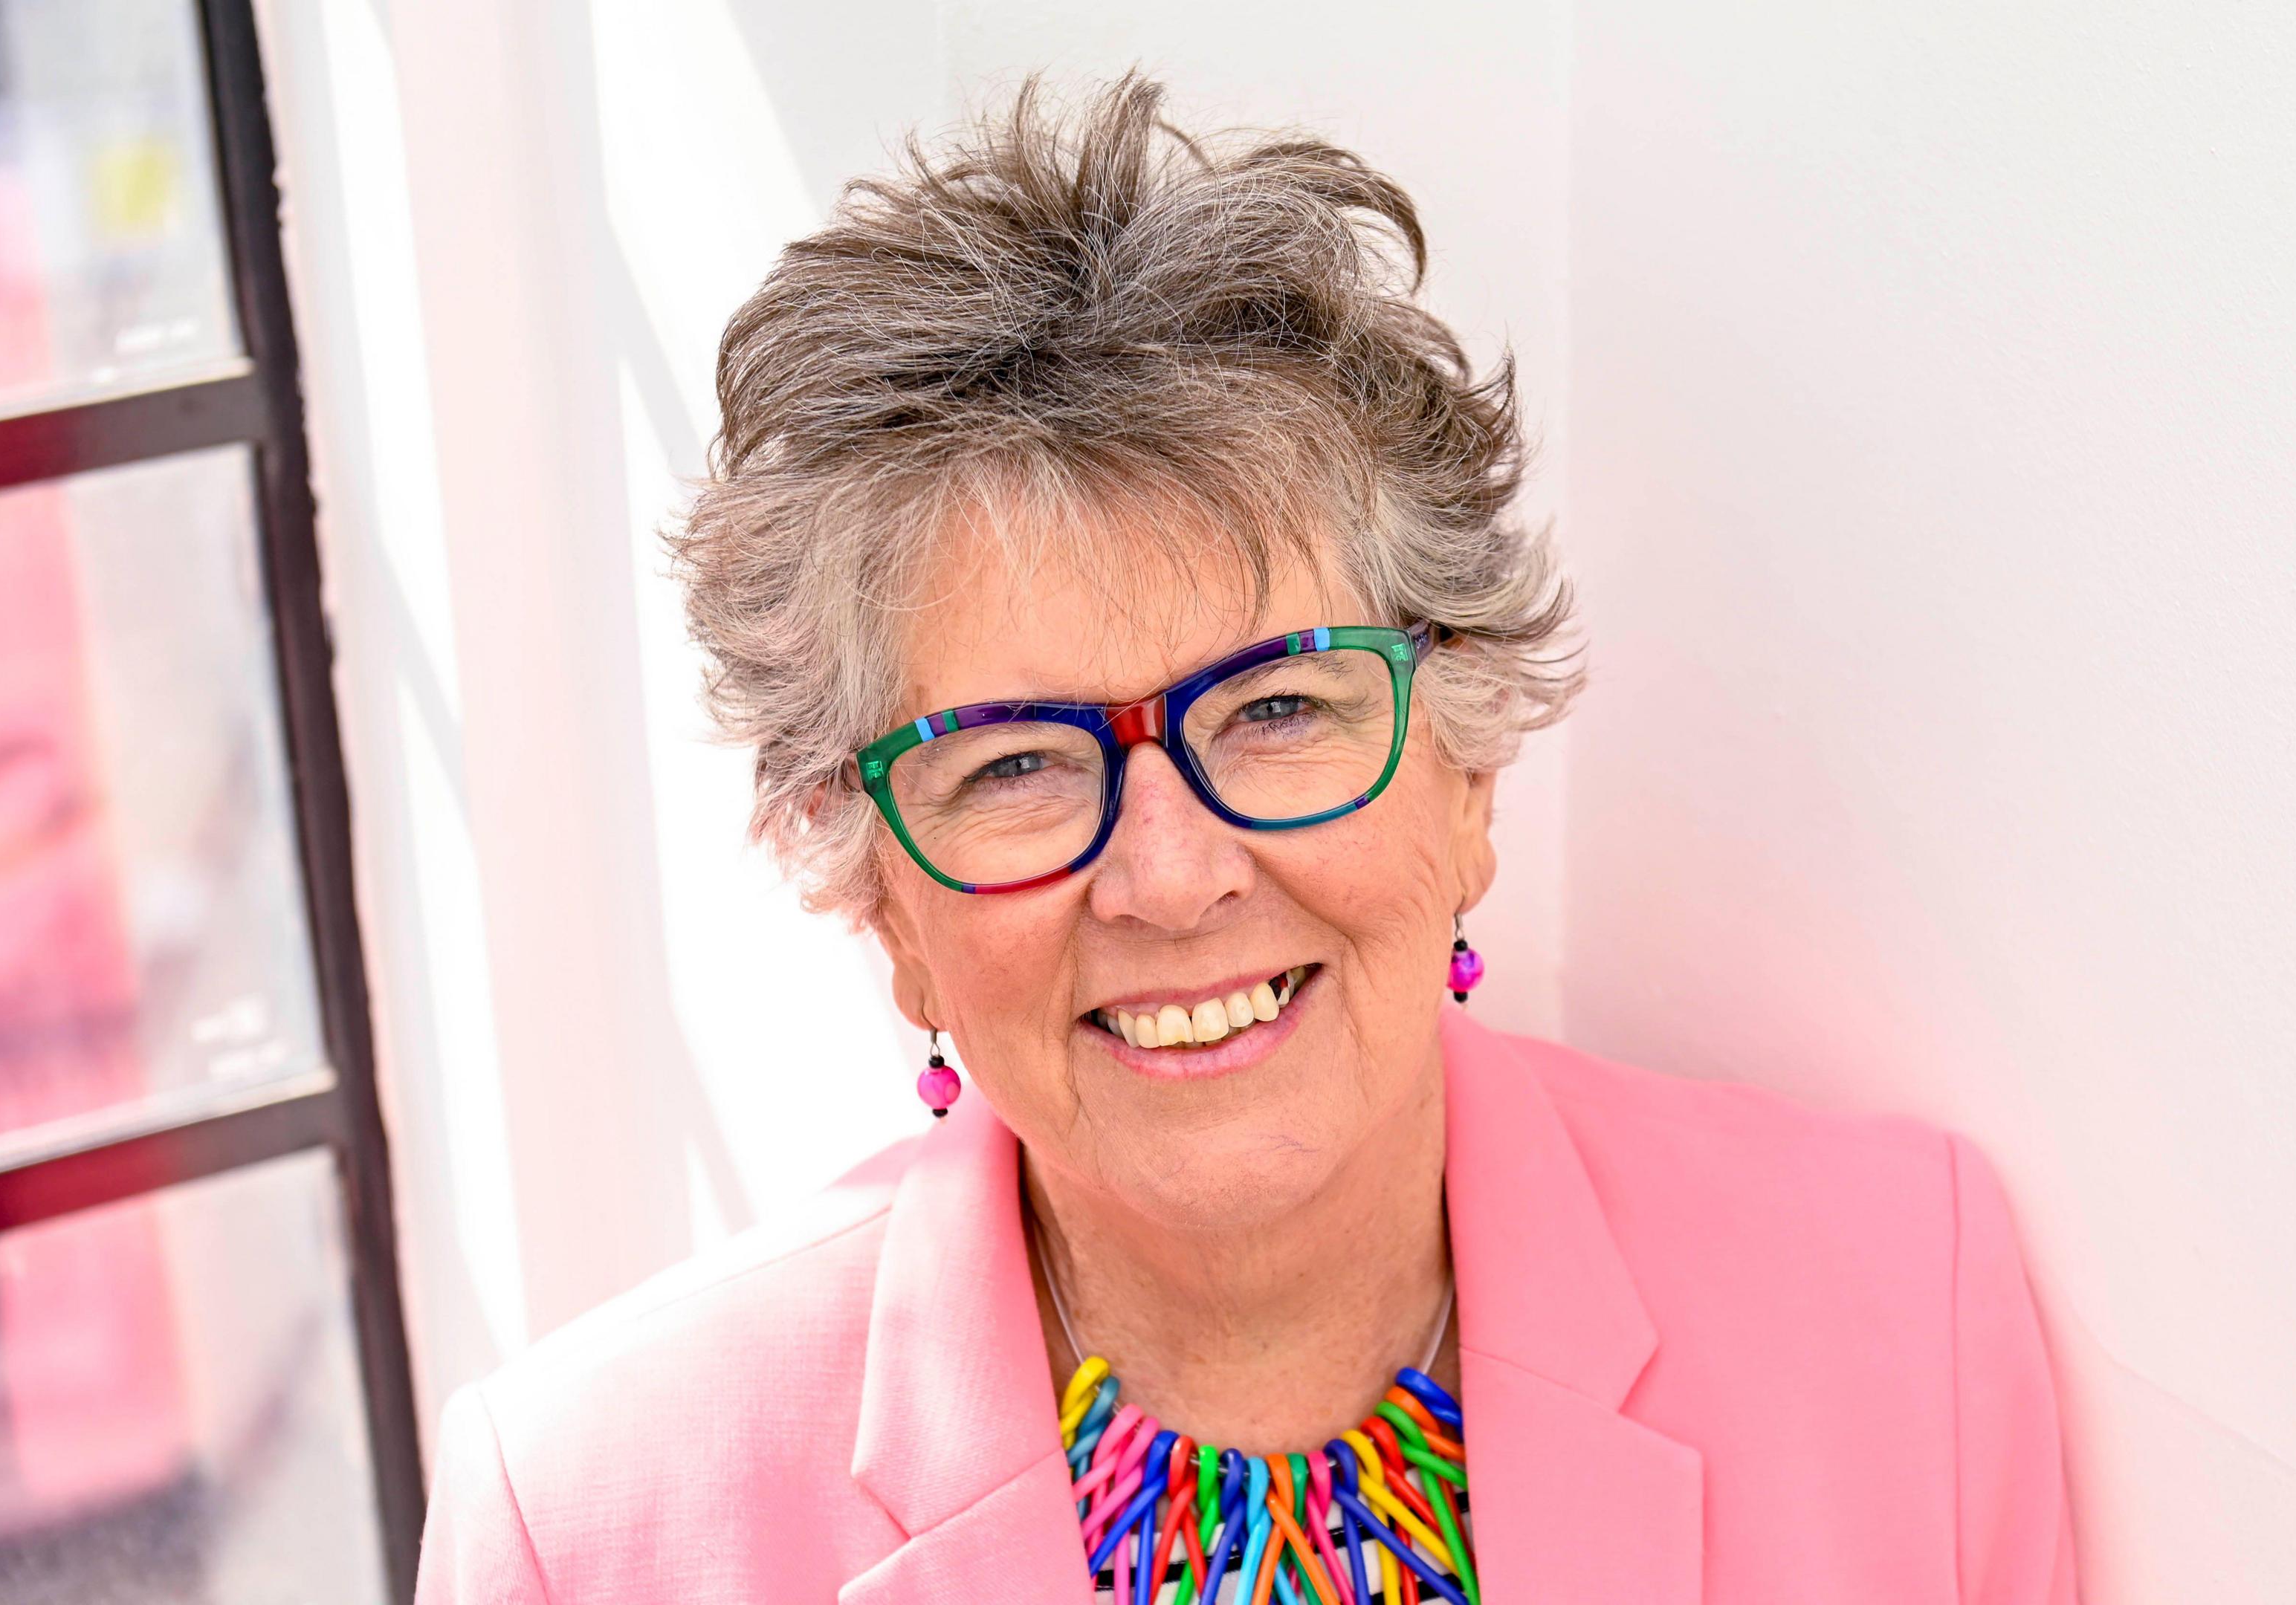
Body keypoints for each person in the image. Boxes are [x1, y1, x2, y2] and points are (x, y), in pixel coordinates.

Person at [415, 75, 2077, 1604]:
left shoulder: (1892, 1302)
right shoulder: (581, 1525)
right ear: (884, 900)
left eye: (1279, 709)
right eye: (1010, 766)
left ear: (1469, 773)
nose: (1171, 873)